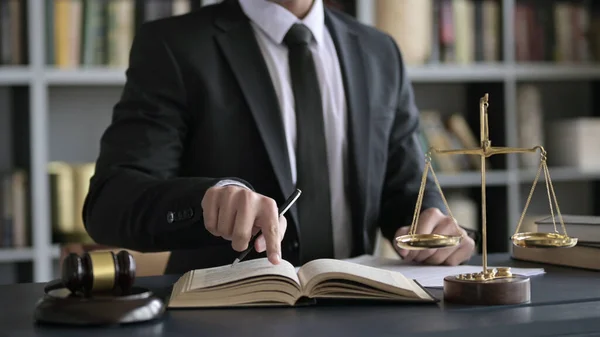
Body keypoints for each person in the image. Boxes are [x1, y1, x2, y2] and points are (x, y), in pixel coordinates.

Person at [82, 0, 477, 274]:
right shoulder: (174, 46)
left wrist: (432, 226)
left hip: (363, 311)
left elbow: (406, 192)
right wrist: (206, 199)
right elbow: (109, 202)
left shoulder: (379, 51)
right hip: (226, 321)